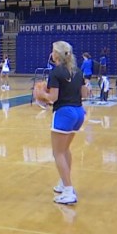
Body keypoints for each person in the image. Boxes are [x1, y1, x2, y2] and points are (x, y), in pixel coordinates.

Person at [35, 41, 89, 205]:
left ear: (56, 55)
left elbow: (53, 98)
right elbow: (85, 94)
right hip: (79, 112)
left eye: (52, 50)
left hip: (65, 113)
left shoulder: (56, 72)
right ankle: (63, 183)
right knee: (65, 150)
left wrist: (40, 93)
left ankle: (68, 190)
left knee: (57, 153)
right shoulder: (77, 71)